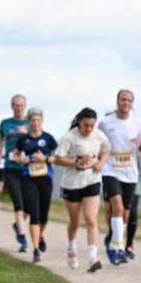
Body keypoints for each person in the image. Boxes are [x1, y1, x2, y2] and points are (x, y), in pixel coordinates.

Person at [97, 90, 141, 265]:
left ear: (132, 103)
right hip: (110, 169)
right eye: (123, 99)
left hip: (130, 171)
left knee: (126, 214)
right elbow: (96, 140)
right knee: (117, 207)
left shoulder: (138, 122)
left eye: (129, 100)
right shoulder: (106, 122)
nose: (126, 103)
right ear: (117, 101)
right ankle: (119, 247)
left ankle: (115, 239)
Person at [54, 107, 111, 273]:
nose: (89, 129)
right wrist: (76, 162)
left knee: (91, 220)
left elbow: (107, 150)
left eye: (92, 125)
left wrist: (100, 163)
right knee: (75, 222)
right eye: (86, 125)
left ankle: (93, 257)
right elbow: (57, 159)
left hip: (92, 180)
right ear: (80, 122)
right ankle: (72, 247)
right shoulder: (70, 137)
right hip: (72, 183)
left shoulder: (99, 135)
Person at [12, 108, 58, 264]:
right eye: (33, 120)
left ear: (42, 121)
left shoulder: (49, 138)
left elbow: (58, 157)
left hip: (45, 178)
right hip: (29, 178)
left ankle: (40, 235)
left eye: (38, 120)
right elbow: (15, 155)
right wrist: (21, 160)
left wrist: (44, 158)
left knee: (44, 216)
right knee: (34, 214)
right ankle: (36, 250)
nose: (36, 123)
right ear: (29, 121)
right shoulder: (23, 139)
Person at [0, 94, 31, 252]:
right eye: (16, 105)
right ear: (12, 106)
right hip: (11, 168)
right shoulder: (5, 124)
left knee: (29, 206)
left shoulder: (30, 123)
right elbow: (1, 140)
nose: (19, 108)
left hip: (27, 169)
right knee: (18, 203)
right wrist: (0, 152)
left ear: (25, 107)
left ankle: (17, 225)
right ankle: (23, 239)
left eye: (21, 105)